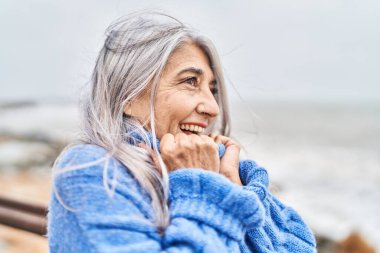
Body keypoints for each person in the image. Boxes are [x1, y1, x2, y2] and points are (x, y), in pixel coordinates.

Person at [47, 11, 317, 252]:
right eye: (190, 81)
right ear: (127, 94)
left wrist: (232, 187)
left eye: (212, 89)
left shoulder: (222, 166)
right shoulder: (91, 170)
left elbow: (302, 247)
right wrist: (201, 185)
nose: (213, 108)